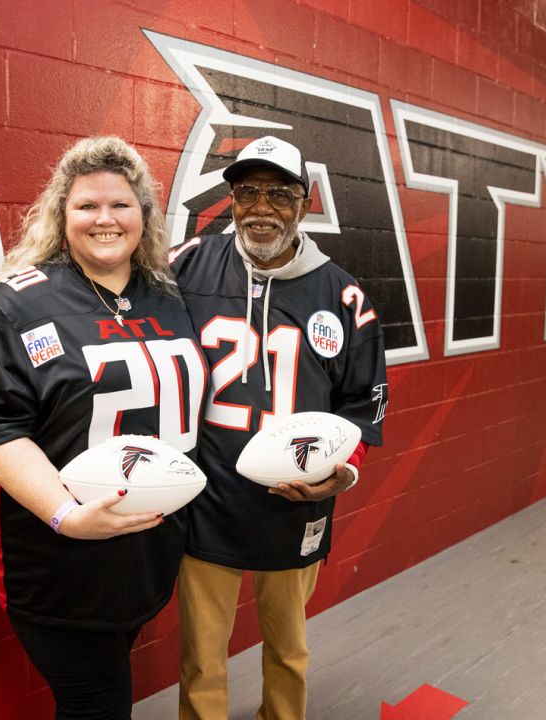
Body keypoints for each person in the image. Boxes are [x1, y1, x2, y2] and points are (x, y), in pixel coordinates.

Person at [0, 136, 208, 720]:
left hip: (144, 553)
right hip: (55, 553)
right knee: (97, 702)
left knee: (103, 689)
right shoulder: (18, 304)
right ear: (60, 216)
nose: (105, 219)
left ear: (144, 214)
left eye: (121, 204)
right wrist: (66, 517)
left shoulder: (167, 297)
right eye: (87, 206)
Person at [170, 135, 389, 720]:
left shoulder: (344, 295)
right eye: (247, 193)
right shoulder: (185, 265)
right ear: (233, 200)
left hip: (296, 501)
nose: (261, 207)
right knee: (201, 656)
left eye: (279, 193)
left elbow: (363, 405)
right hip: (206, 494)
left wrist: (342, 473)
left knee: (289, 650)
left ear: (305, 201)